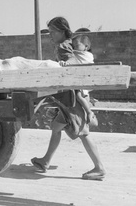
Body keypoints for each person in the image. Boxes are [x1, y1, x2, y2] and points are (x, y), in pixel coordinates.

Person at [31, 17, 106, 180]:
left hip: (73, 97)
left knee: (83, 133)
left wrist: (80, 96)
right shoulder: (72, 43)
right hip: (69, 96)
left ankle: (99, 167)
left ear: (62, 30)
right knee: (56, 127)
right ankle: (45, 161)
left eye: (52, 32)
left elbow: (71, 72)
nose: (50, 35)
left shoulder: (64, 46)